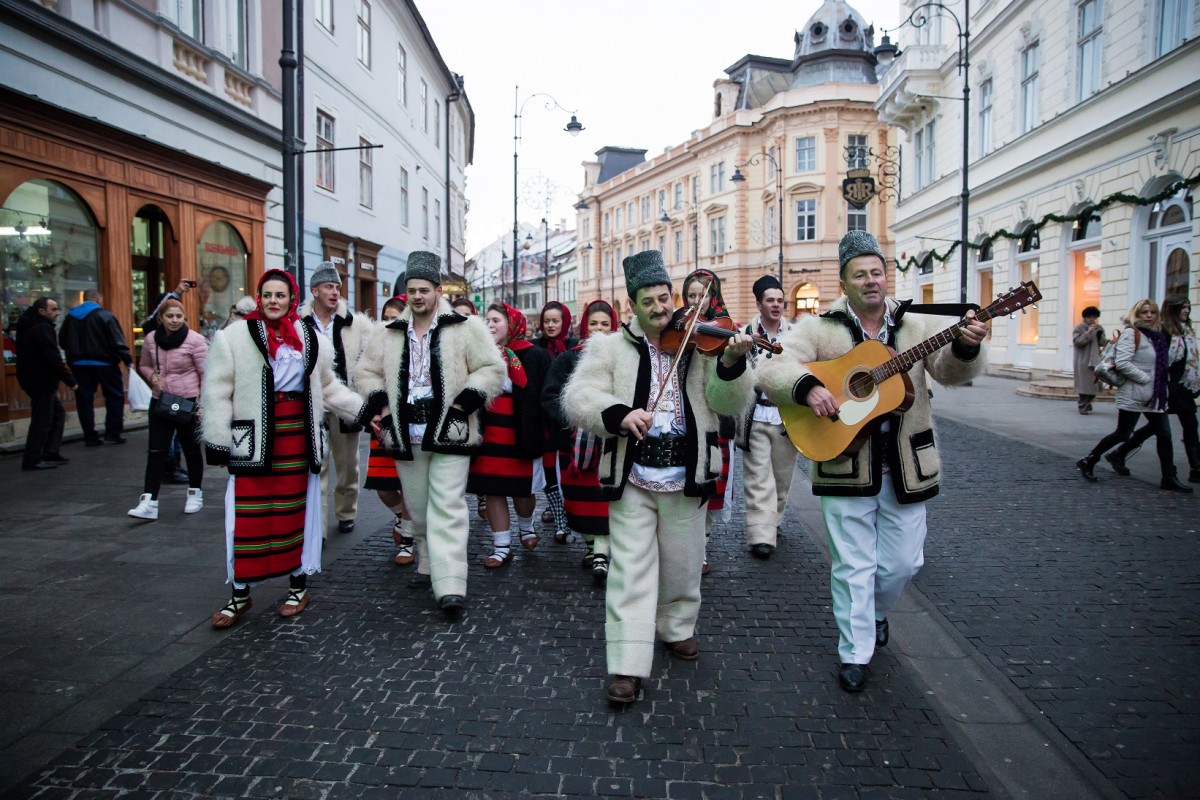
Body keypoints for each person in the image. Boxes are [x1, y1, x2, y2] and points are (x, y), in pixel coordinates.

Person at [756, 230, 989, 694]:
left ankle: (876, 612)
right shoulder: (820, 327)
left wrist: (965, 345)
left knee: (902, 563)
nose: (871, 281)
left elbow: (948, 372)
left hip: (907, 461)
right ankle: (855, 651)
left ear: (887, 275)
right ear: (844, 281)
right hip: (844, 461)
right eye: (860, 274)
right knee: (852, 565)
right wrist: (809, 387)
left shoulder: (916, 324)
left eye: (877, 271)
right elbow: (772, 367)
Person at [562, 250, 754, 704]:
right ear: (633, 305)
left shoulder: (703, 344)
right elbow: (579, 395)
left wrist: (731, 364)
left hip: (687, 470)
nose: (660, 308)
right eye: (648, 301)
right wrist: (618, 414)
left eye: (665, 298)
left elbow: (728, 404)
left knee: (684, 563)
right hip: (632, 473)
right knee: (630, 568)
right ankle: (626, 664)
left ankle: (677, 626)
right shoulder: (609, 347)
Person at [202, 269, 367, 629]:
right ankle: (240, 595)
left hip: (297, 437)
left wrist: (366, 411)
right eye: (267, 295)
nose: (273, 301)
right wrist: (216, 440)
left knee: (297, 513)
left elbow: (330, 388)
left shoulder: (311, 339)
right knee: (247, 516)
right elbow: (216, 390)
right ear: (258, 298)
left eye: (280, 295)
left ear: (292, 299)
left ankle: (297, 588)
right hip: (254, 441)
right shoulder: (233, 337)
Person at [356, 251, 506, 620]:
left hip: (451, 430)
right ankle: (427, 561)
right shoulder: (388, 332)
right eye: (412, 290)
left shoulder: (466, 327)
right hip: (406, 433)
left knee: (448, 506)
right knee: (420, 508)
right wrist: (382, 407)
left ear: (439, 290)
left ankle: (452, 583)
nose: (417, 296)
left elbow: (491, 368)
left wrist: (463, 403)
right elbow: (366, 372)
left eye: (424, 289)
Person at [1077, 299, 1193, 493]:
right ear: (1136, 315)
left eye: (1152, 312)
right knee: (1123, 433)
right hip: (1134, 392)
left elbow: (1163, 363)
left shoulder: (1158, 336)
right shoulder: (1132, 334)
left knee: (1164, 434)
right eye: (1144, 312)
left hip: (1155, 395)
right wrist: (1145, 378)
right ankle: (1089, 459)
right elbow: (1122, 363)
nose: (1148, 316)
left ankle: (1169, 477)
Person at [468, 303, 552, 567]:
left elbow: (543, 397)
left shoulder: (534, 356)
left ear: (513, 324)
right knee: (493, 490)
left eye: (496, 320)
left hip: (521, 434)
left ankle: (526, 527)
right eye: (488, 321)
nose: (490, 325)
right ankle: (501, 546)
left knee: (523, 490)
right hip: (489, 434)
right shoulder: (479, 355)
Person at [541, 299, 617, 585]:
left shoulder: (622, 357)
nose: (599, 329)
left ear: (614, 326)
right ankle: (591, 547)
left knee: (606, 499)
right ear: (585, 326)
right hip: (576, 444)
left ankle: (601, 551)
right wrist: (574, 417)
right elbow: (550, 397)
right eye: (594, 323)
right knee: (582, 501)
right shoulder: (568, 359)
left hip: (611, 442)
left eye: (605, 324)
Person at [301, 262, 371, 535]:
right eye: (329, 287)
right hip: (313, 404)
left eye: (338, 288)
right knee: (317, 466)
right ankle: (317, 525)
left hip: (345, 403)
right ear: (315, 290)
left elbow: (368, 362)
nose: (335, 292)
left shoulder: (357, 325)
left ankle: (346, 512)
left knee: (348, 465)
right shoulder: (300, 323)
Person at [1105, 296, 1200, 483]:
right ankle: (1119, 453)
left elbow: (1191, 358)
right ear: (1173, 310)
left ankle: (1195, 468)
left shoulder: (1187, 330)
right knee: (1156, 428)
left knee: (1189, 425)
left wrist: (1195, 381)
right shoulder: (1163, 331)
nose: (1187, 311)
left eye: (1188, 307)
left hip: (1184, 385)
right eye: (1183, 308)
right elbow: (1156, 359)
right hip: (1166, 385)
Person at [128, 298, 207, 520]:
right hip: (160, 400)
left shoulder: (195, 340)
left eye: (178, 316)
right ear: (161, 318)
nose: (174, 320)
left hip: (188, 401)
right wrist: (153, 377)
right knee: (156, 451)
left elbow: (206, 374)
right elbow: (144, 364)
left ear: (184, 318)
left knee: (191, 449)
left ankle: (194, 493)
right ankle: (149, 501)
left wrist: (203, 405)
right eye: (170, 316)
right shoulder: (152, 339)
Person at [738, 275, 798, 560]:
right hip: (756, 417)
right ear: (759, 303)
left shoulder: (796, 335)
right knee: (758, 476)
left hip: (787, 418)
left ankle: (773, 521)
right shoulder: (744, 334)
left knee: (782, 477)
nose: (776, 305)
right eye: (770, 300)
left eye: (780, 300)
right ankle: (761, 535)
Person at [682, 269, 735, 575]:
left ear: (713, 297)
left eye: (703, 295)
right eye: (691, 295)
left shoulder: (727, 328)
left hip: (716, 418)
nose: (697, 301)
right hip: (687, 418)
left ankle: (701, 547)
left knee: (711, 486)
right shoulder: (678, 326)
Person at [364, 296, 412, 566]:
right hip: (382, 422)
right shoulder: (375, 345)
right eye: (385, 316)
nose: (389, 322)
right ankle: (400, 517)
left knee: (408, 486)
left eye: (394, 316)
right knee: (383, 487)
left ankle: (407, 540)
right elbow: (365, 379)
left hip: (408, 423)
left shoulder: (416, 344)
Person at [59, 288, 133, 446]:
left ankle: (90, 436)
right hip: (105, 362)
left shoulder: (70, 317)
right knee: (114, 396)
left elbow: (62, 340)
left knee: (84, 399)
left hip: (79, 364)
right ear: (99, 299)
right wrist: (127, 361)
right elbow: (117, 341)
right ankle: (112, 433)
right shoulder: (105, 315)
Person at [16, 297, 76, 471]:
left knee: (56, 414)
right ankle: (33, 458)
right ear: (42, 311)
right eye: (53, 309)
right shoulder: (41, 328)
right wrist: (70, 381)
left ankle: (49, 451)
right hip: (40, 379)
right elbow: (52, 357)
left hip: (34, 378)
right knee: (42, 420)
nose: (57, 313)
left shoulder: (31, 326)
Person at [534, 301, 576, 542]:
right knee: (550, 470)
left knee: (566, 470)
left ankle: (566, 509)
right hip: (544, 422)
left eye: (555, 321)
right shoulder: (535, 347)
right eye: (547, 321)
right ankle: (560, 516)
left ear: (565, 323)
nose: (550, 325)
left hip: (566, 421)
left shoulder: (572, 348)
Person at [1072, 306, 1107, 414]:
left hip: (1095, 359)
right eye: (1089, 317)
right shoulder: (1079, 328)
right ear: (1085, 317)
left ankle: (1086, 404)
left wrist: (1100, 335)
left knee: (1095, 384)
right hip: (1082, 361)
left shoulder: (1098, 327)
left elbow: (1102, 343)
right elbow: (1077, 341)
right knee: (1085, 385)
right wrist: (1088, 333)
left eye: (1094, 317)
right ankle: (1082, 405)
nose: (1092, 319)